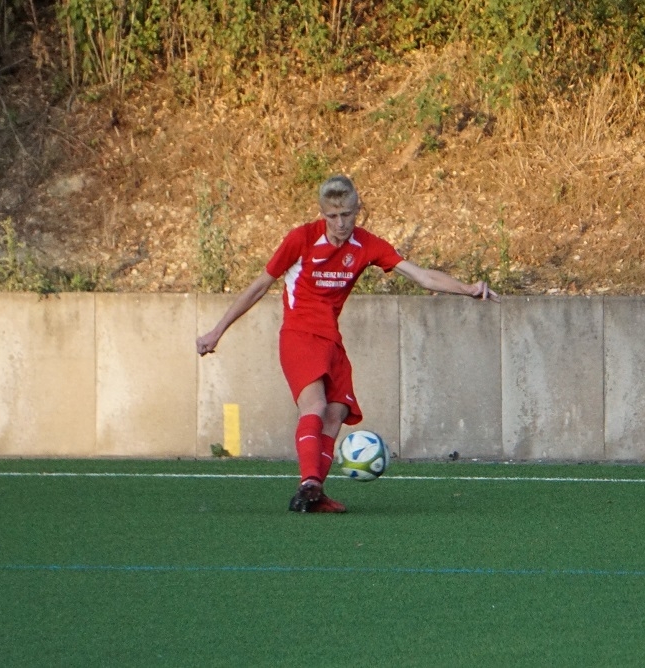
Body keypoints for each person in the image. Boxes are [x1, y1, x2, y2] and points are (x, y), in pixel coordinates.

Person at [196, 175, 499, 513]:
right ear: (322, 213)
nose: (340, 223)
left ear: (358, 210)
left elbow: (422, 276)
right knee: (315, 405)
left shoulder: (367, 245)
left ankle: (314, 492)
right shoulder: (301, 239)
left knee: (337, 411)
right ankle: (308, 482)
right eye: (332, 216)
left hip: (331, 339)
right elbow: (258, 286)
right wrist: (217, 331)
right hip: (299, 334)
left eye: (346, 215)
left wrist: (467, 289)